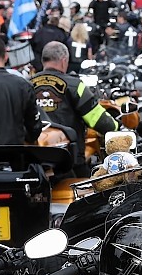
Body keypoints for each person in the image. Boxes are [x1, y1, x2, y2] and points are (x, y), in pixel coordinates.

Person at [30, 41, 115, 175]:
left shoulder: (27, 84)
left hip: (34, 162)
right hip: (69, 161)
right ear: (64, 61)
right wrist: (116, 126)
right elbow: (97, 119)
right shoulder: (75, 85)